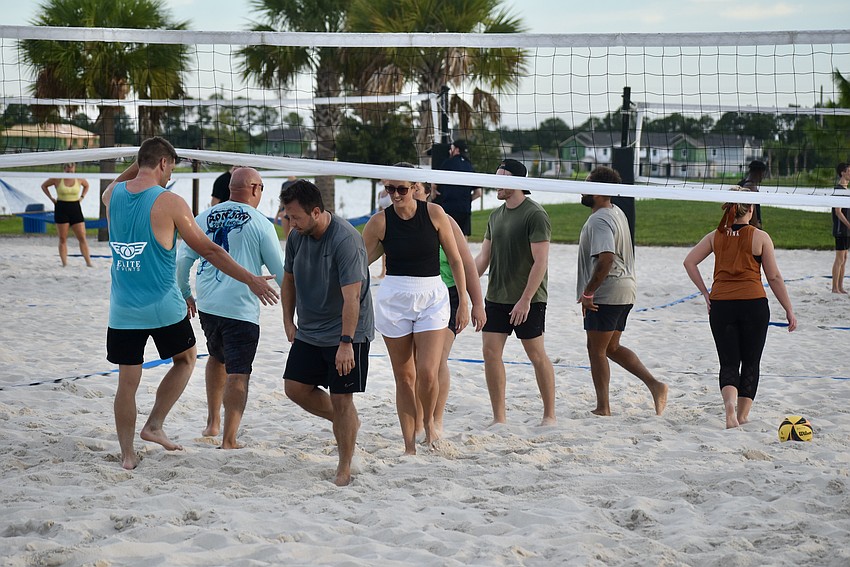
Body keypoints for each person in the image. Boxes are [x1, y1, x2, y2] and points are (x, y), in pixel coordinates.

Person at [102, 137, 279, 470]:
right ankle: (154, 424)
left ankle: (127, 455)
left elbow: (122, 180)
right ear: (163, 163)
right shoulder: (171, 202)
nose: (171, 175)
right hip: (163, 306)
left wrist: (142, 158)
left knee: (127, 382)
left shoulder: (112, 196)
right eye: (171, 167)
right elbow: (210, 250)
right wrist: (251, 279)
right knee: (185, 359)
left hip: (122, 308)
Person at [362, 162, 469, 454]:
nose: (395, 195)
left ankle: (430, 423)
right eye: (389, 189)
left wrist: (464, 301)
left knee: (428, 372)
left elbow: (456, 259)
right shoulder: (379, 222)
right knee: (404, 377)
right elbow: (357, 262)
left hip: (432, 295)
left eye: (401, 189)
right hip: (395, 298)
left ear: (414, 188)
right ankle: (409, 445)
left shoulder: (434, 214)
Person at [176, 168, 285, 449]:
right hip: (240, 307)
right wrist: (300, 307)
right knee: (239, 371)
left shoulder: (203, 217)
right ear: (255, 189)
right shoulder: (260, 223)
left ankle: (213, 422)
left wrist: (186, 293)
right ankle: (229, 438)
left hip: (208, 304)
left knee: (216, 356)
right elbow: (281, 273)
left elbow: (182, 261)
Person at [280, 180, 374, 486]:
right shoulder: (296, 236)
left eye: (296, 217)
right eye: (288, 216)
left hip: (347, 331)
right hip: (310, 329)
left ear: (316, 212)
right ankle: (348, 422)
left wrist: (346, 343)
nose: (291, 223)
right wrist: (288, 320)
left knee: (342, 398)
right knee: (294, 388)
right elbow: (288, 280)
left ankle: (344, 468)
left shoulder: (345, 240)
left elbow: (352, 298)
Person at [683, 187, 797, 429]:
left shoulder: (715, 236)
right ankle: (743, 416)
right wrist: (788, 308)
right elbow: (774, 277)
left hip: (721, 306)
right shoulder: (760, 237)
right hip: (753, 305)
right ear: (751, 209)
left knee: (728, 363)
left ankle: (730, 410)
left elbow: (689, 262)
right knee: (751, 362)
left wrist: (705, 293)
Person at [577, 166, 668, 417]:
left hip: (608, 291)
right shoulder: (616, 211)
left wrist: (588, 292)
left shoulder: (599, 219)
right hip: (626, 289)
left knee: (596, 350)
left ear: (598, 191)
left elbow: (606, 258)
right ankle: (655, 385)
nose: (582, 189)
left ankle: (603, 407)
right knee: (611, 348)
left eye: (587, 184)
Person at [474, 158, 556, 426]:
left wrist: (525, 300)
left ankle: (549, 415)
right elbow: (483, 258)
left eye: (501, 178)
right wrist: (461, 284)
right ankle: (499, 418)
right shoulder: (495, 215)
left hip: (528, 299)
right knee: (490, 354)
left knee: (536, 355)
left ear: (517, 181)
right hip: (496, 297)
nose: (495, 183)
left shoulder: (535, 214)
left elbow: (541, 261)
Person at [412, 181, 486, 436]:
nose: (409, 193)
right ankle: (419, 420)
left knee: (436, 360)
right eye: (402, 189)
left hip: (447, 295)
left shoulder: (445, 221)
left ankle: (436, 419)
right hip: (414, 297)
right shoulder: (394, 221)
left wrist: (475, 304)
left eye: (415, 189)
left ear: (428, 193)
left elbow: (466, 264)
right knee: (416, 364)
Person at [41, 162, 93, 267]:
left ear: (74, 168)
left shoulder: (79, 178)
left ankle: (88, 262)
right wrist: (51, 198)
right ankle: (64, 263)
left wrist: (82, 197)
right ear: (64, 169)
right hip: (61, 208)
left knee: (82, 237)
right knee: (63, 238)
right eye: (68, 170)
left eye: (72, 170)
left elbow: (87, 185)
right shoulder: (57, 178)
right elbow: (44, 186)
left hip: (75, 208)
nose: (70, 172)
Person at [433, 139, 482, 237]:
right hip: (465, 209)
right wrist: (466, 200)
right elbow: (478, 193)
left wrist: (433, 193)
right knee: (463, 238)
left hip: (449, 208)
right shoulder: (469, 166)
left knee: (447, 238)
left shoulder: (447, 163)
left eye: (451, 148)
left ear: (456, 150)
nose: (449, 151)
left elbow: (434, 184)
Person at [831, 162, 850, 294]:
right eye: (849, 171)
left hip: (846, 230)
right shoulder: (838, 190)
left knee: (844, 258)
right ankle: (834, 288)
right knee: (839, 259)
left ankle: (840, 287)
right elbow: (838, 211)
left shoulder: (846, 190)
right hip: (840, 229)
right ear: (842, 173)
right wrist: (848, 225)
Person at [738, 159, 767, 229]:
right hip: (748, 226)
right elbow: (751, 209)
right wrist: (756, 225)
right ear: (759, 172)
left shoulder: (740, 184)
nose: (763, 176)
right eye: (763, 173)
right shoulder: (750, 186)